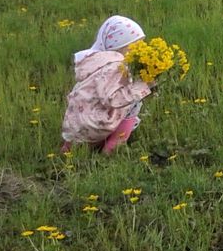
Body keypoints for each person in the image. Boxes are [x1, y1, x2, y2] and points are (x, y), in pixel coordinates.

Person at [59, 15, 153, 154]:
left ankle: (69, 148)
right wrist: (144, 86)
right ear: (119, 47)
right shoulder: (115, 66)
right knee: (134, 104)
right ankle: (112, 149)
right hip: (97, 124)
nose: (140, 51)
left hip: (75, 123)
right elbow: (113, 100)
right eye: (135, 46)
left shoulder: (94, 59)